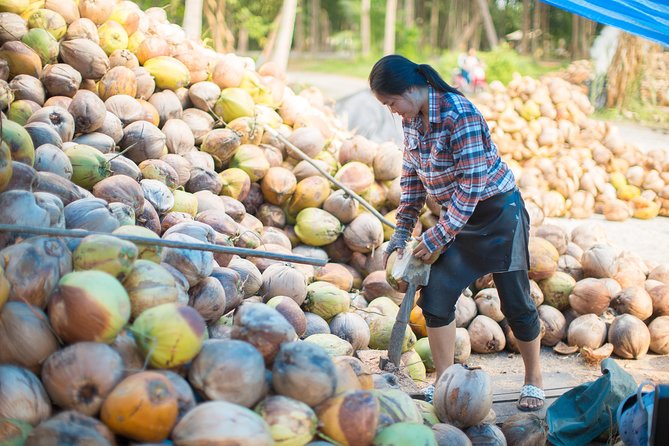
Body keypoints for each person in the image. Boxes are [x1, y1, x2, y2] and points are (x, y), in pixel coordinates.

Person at [369, 54, 544, 411]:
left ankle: (534, 379)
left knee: (516, 301)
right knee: (435, 297)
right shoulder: (412, 121)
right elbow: (412, 180)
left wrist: (436, 237)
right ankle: (445, 382)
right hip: (457, 219)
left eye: (391, 102)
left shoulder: (458, 113)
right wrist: (401, 234)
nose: (392, 111)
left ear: (411, 89)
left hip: (498, 214)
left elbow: (473, 183)